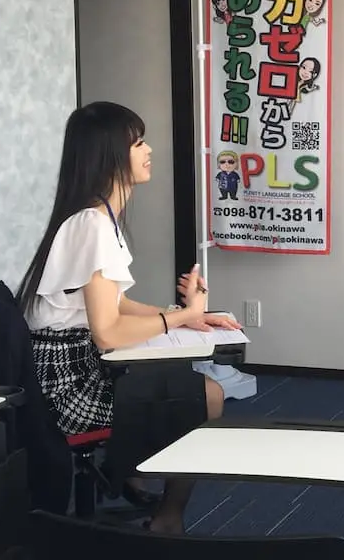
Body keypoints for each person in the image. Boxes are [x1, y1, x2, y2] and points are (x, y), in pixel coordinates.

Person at [18, 101, 240, 534]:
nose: (148, 149)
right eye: (138, 142)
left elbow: (115, 304)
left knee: (179, 380)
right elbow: (107, 331)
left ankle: (130, 476)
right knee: (209, 395)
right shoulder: (93, 225)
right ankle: (167, 515)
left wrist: (186, 315)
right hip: (67, 384)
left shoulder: (96, 218)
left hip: (71, 364)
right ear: (109, 155)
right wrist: (179, 318)